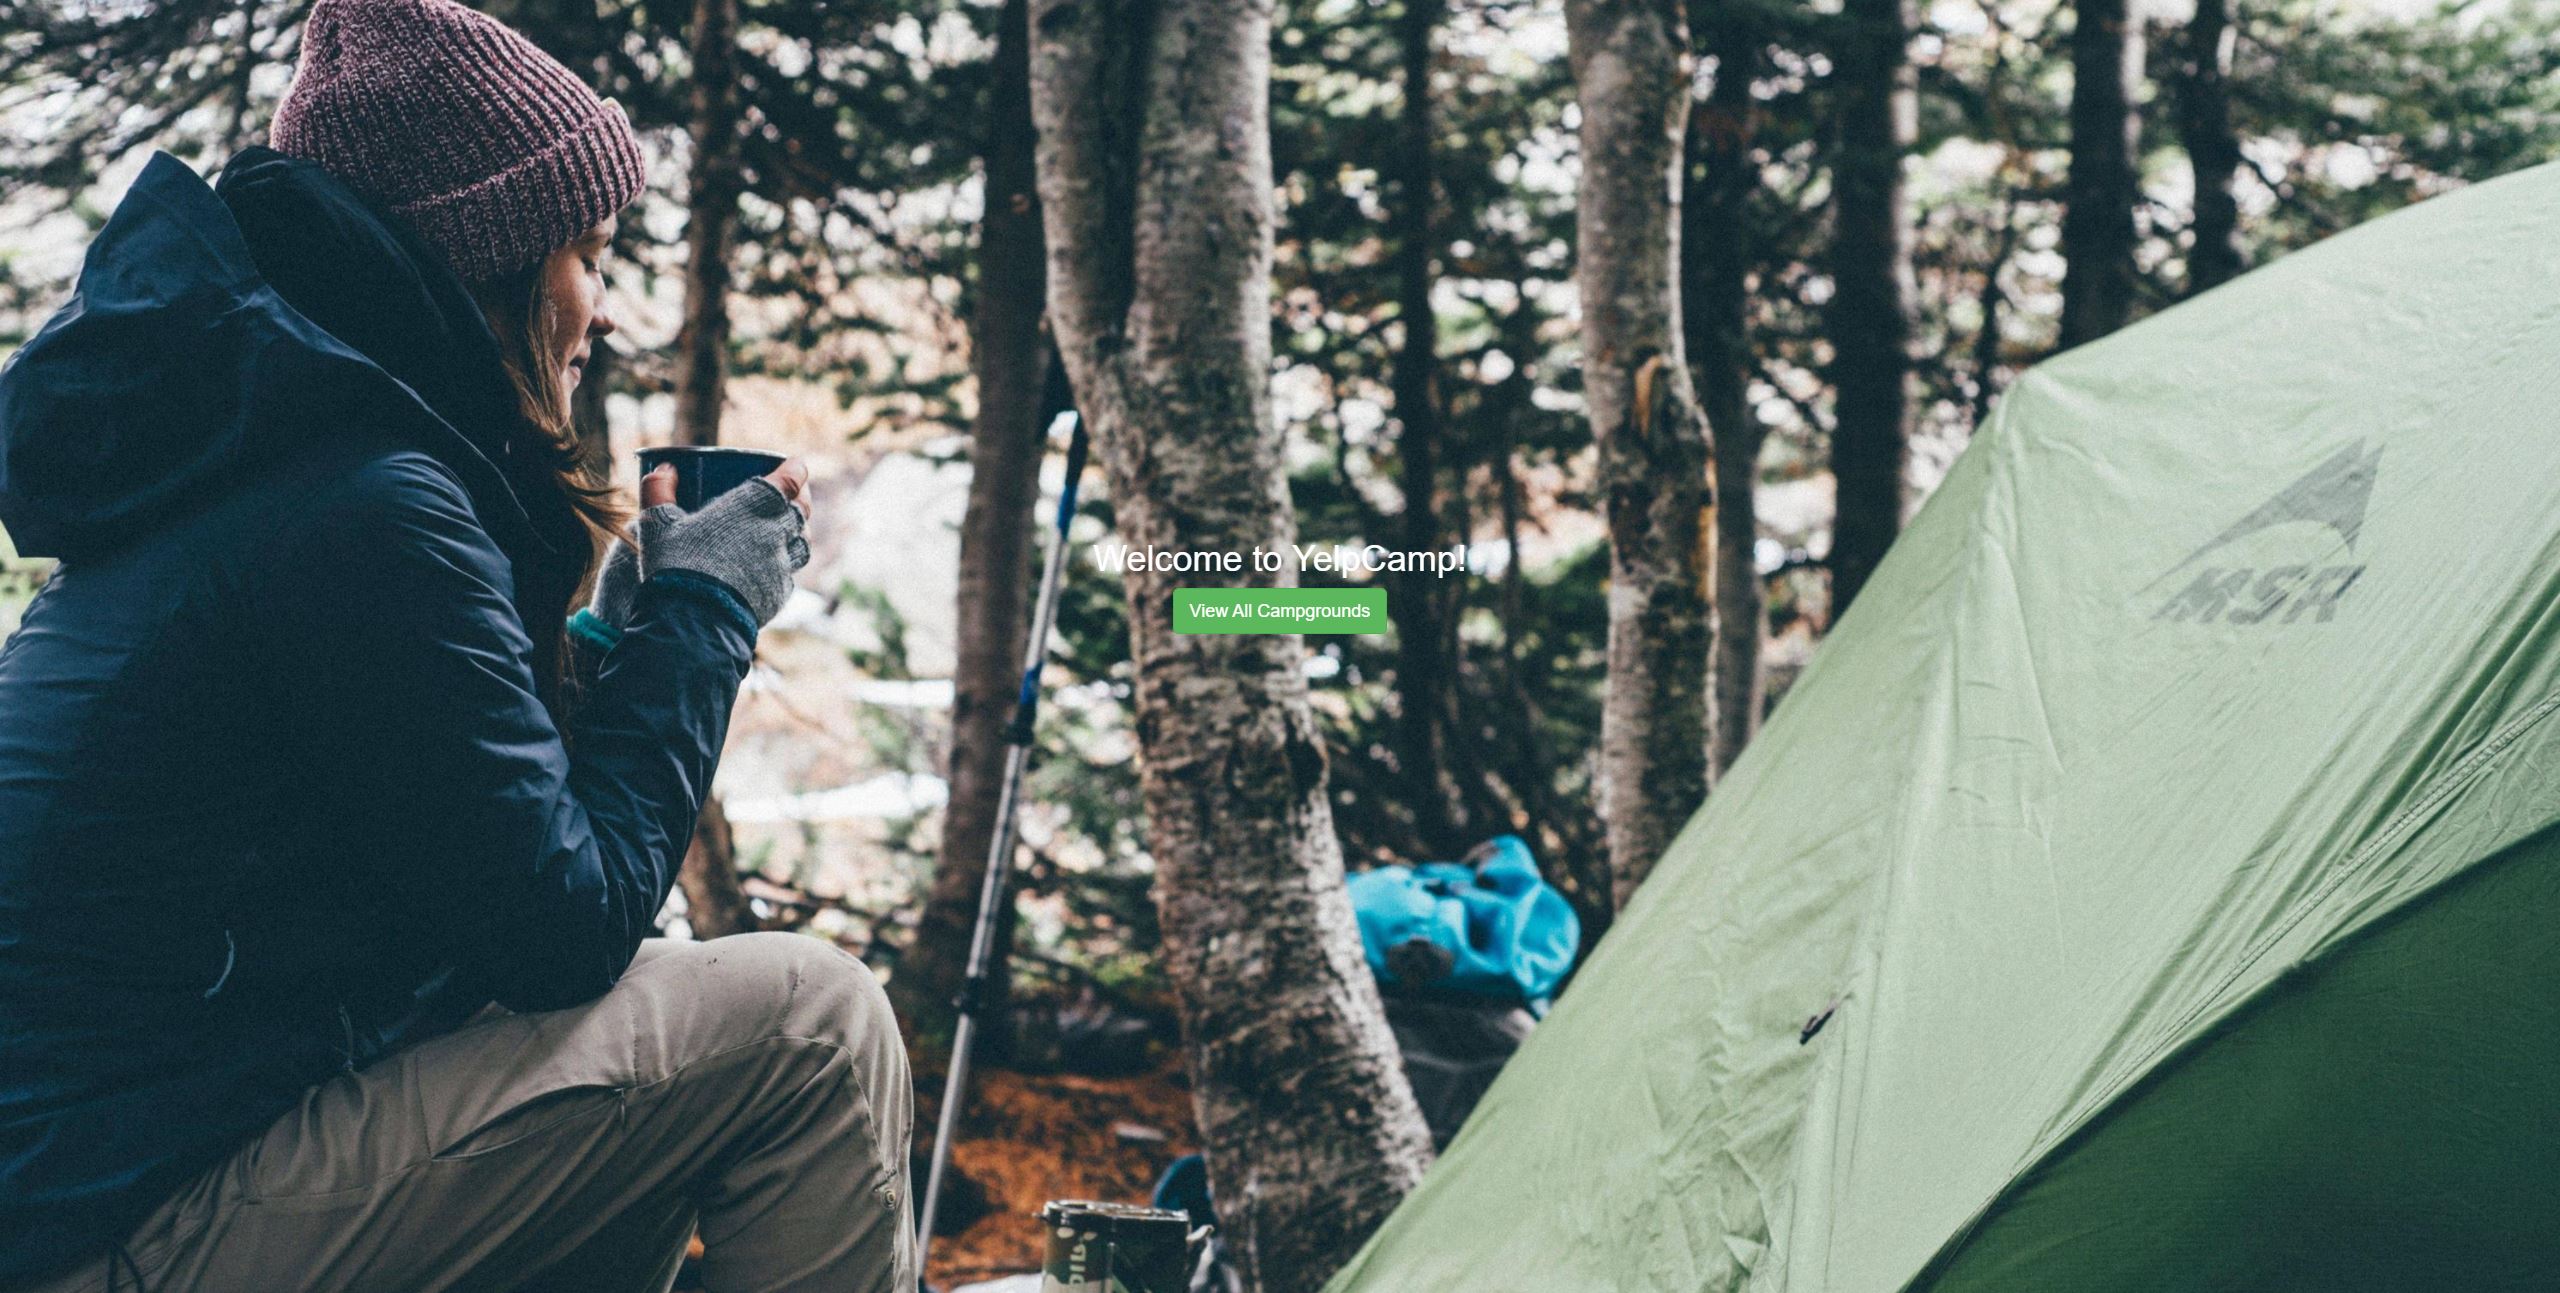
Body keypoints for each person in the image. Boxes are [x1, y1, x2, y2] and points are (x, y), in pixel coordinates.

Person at [0, 1, 916, 1289]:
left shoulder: (263, 461)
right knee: (813, 1026)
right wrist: (706, 617)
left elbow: (477, 879)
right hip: (117, 1223)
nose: (600, 311)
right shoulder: (368, 503)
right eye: (588, 256)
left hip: (98, 1178)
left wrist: (608, 647)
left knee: (628, 1051)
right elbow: (559, 930)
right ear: (486, 262)